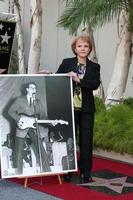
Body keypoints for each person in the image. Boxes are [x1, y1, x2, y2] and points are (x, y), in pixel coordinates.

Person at [56, 35, 101, 183]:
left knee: (86, 141)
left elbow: (94, 84)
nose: (83, 49)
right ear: (75, 49)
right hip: (69, 107)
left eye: (86, 46)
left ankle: (86, 172)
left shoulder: (95, 66)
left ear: (89, 49)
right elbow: (57, 78)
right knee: (69, 140)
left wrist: (78, 80)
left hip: (87, 109)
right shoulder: (67, 62)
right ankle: (68, 170)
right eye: (80, 46)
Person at [8, 82, 51, 175]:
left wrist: (52, 122)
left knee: (41, 149)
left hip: (33, 127)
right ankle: (19, 174)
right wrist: (20, 119)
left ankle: (48, 171)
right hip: (22, 126)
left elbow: (43, 116)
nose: (33, 90)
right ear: (27, 89)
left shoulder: (38, 102)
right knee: (18, 151)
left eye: (35, 88)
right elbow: (10, 111)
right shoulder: (20, 100)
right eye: (31, 88)